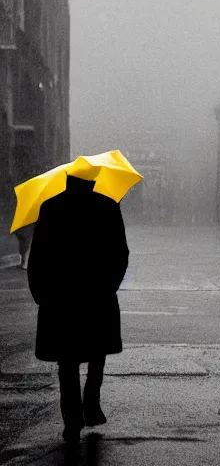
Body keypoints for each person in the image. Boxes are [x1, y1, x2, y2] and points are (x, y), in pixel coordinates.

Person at [27, 175, 129, 443]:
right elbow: (121, 252)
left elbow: (38, 254)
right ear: (92, 183)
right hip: (97, 294)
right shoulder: (107, 206)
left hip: (61, 296)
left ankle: (72, 417)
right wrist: (110, 285)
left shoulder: (50, 207)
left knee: (67, 360)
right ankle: (91, 402)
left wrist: (40, 292)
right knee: (97, 352)